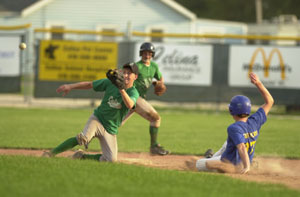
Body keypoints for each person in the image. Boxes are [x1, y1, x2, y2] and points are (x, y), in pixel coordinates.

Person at [42, 63, 139, 162]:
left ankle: (81, 156)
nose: (126, 75)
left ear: (135, 77)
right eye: (124, 72)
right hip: (98, 120)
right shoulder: (110, 83)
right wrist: (70, 86)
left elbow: (130, 105)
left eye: (129, 73)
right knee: (83, 138)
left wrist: (121, 89)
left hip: (111, 128)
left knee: (111, 160)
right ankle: (51, 153)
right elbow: (89, 84)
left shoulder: (133, 92)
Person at [196, 72, 274, 174]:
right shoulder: (255, 120)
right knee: (228, 143)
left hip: (230, 163)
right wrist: (258, 83)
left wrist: (246, 167)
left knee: (198, 163)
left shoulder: (234, 127)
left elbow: (241, 147)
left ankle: (212, 160)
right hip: (243, 158)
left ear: (231, 111)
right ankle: (213, 157)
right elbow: (270, 101)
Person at [121, 42, 169, 155]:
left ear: (152, 55)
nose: (147, 55)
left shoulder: (154, 66)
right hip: (134, 97)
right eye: (145, 53)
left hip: (137, 100)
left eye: (149, 53)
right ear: (141, 54)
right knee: (156, 118)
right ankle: (154, 147)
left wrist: (159, 83)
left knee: (115, 124)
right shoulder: (137, 66)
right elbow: (126, 76)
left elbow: (160, 78)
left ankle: (86, 137)